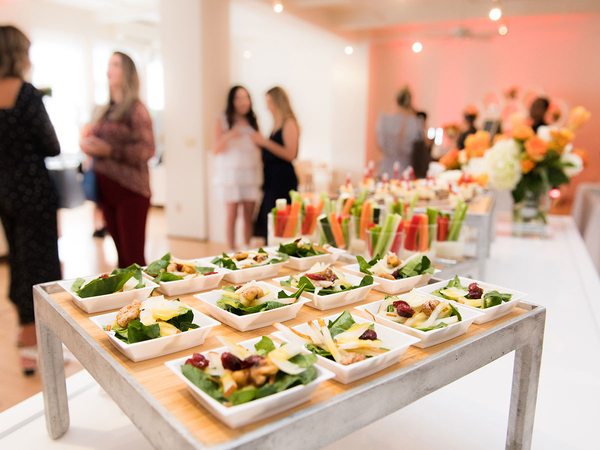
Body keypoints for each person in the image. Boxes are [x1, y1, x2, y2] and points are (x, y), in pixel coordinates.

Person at [0, 25, 62, 375]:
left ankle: (24, 333)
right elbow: (51, 145)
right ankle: (36, 340)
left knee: (19, 261)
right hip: (34, 192)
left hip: (5, 191)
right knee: (41, 265)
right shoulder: (26, 94)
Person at [80, 52, 154, 268]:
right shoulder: (104, 109)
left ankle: (145, 300)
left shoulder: (136, 110)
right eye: (108, 65)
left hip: (130, 191)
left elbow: (147, 149)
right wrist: (89, 144)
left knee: (133, 259)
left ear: (127, 72)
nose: (108, 70)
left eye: (115, 65)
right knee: (121, 258)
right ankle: (126, 301)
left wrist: (110, 150)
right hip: (106, 190)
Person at [213, 86, 262, 251]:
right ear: (232, 101)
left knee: (249, 214)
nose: (243, 102)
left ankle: (247, 248)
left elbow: (260, 145)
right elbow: (216, 149)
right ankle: (231, 250)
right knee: (231, 215)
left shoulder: (254, 121)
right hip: (230, 174)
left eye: (246, 97)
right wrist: (229, 135)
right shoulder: (223, 120)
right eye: (238, 98)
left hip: (249, 172)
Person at [252, 86, 299, 241]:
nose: (267, 107)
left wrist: (264, 142)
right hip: (271, 181)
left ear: (278, 102)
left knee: (281, 227)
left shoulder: (289, 123)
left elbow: (290, 154)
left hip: (283, 182)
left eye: (269, 102)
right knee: (269, 226)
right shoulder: (275, 125)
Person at [376, 86, 422, 176]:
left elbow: (380, 144)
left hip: (386, 169)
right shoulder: (416, 123)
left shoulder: (384, 119)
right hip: (406, 171)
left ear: (396, 100)